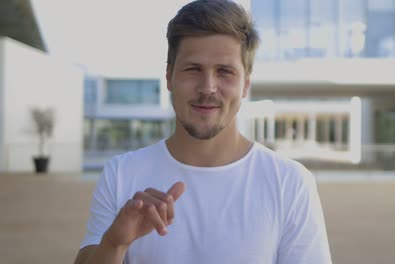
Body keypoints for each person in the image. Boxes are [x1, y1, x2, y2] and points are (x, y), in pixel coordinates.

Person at [74, 0, 332, 263]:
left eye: (224, 72)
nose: (208, 87)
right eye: (193, 69)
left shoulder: (290, 183)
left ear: (246, 84)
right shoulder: (121, 175)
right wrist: (115, 244)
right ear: (169, 76)